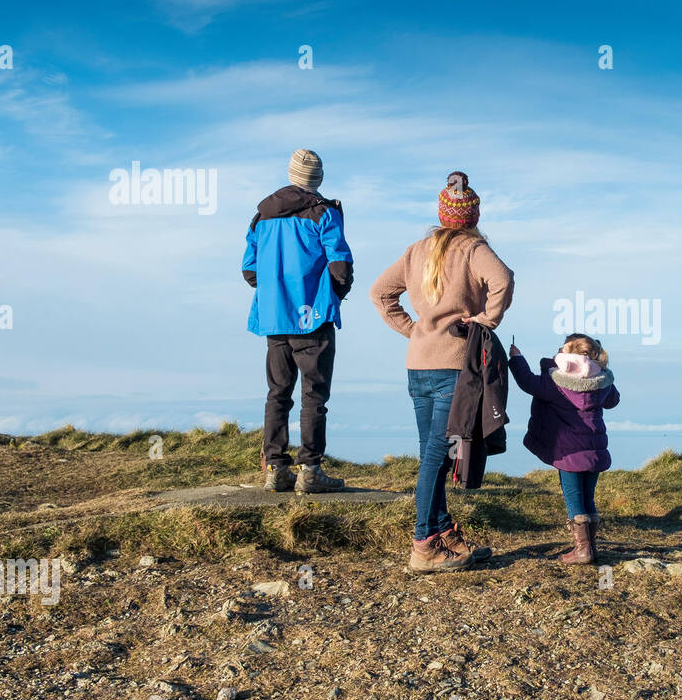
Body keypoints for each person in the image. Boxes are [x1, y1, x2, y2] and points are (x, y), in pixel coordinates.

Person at [369, 171, 514, 572]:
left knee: (432, 452)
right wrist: (485, 322)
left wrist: (413, 330)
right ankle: (423, 544)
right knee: (439, 454)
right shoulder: (472, 248)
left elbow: (379, 292)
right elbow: (504, 279)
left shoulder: (418, 249)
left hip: (418, 364)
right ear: (472, 216)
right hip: (454, 366)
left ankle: (440, 528)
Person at [242, 149, 352, 493]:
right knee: (314, 395)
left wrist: (277, 289)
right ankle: (310, 471)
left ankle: (276, 469)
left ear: (292, 175)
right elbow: (340, 267)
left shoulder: (261, 217)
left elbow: (249, 270)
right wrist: (330, 295)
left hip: (275, 320)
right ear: (317, 180)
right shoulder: (324, 213)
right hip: (312, 318)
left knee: (278, 393)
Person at [509, 334, 619, 565]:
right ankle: (591, 547)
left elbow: (527, 382)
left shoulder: (556, 383)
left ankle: (582, 550)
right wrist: (602, 371)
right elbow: (613, 400)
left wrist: (517, 359)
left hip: (568, 452)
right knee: (588, 497)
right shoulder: (601, 382)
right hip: (595, 450)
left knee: (573, 497)